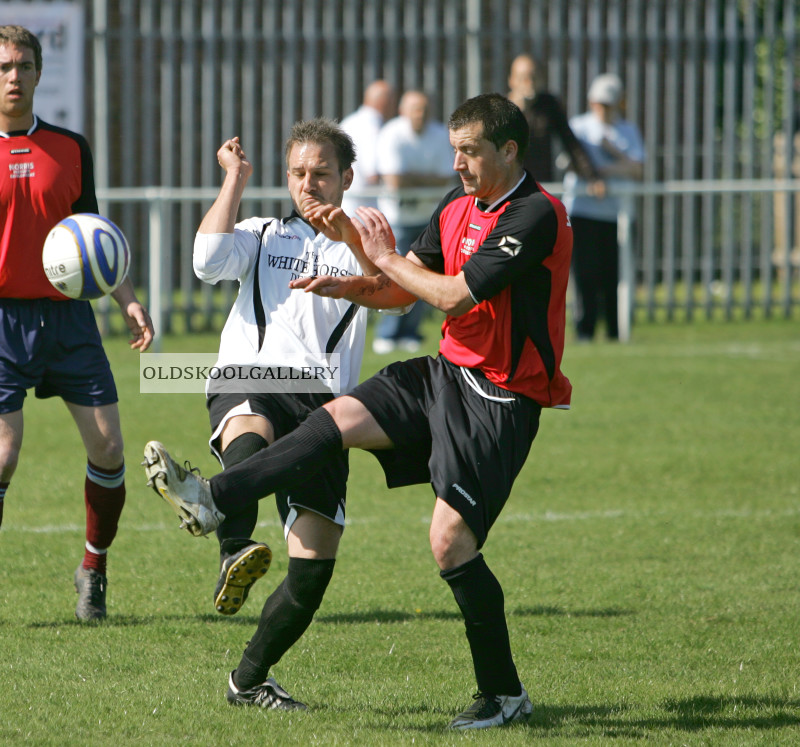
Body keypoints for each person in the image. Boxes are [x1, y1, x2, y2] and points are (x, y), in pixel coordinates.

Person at [144, 93, 573, 730]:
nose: (457, 163)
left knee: (449, 544)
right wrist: (355, 283)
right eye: (453, 149)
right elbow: (402, 291)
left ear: (509, 150)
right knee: (339, 420)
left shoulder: (537, 213)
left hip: (500, 397)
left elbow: (452, 295)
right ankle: (214, 502)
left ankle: (504, 694)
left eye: (471, 151)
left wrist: (375, 258)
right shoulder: (454, 209)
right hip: (441, 373)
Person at [0, 25, 154, 628]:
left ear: (39, 73)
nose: (14, 76)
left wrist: (126, 296)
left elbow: (93, 234)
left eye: (24, 65)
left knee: (109, 446)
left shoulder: (71, 148)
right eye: (2, 67)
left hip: (70, 318)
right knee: (0, 455)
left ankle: (93, 571)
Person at [149, 119, 381, 695]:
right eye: (298, 174)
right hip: (249, 374)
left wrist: (355, 245)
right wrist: (234, 179)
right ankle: (232, 545)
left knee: (311, 571)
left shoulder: (366, 241)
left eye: (322, 174)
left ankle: (248, 681)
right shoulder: (262, 231)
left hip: (325, 404)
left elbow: (393, 292)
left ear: (347, 177)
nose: (309, 185)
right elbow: (206, 261)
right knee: (251, 422)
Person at [562, 73, 645, 342]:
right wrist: (607, 172)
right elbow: (570, 161)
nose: (601, 108)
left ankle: (614, 330)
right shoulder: (579, 126)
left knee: (613, 274)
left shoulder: (627, 130)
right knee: (585, 272)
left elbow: (637, 169)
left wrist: (609, 159)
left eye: (607, 104)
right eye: (597, 103)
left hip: (616, 214)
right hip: (582, 211)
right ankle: (585, 330)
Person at [372, 90, 455, 354]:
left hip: (429, 219)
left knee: (422, 278)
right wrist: (426, 180)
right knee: (395, 276)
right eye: (415, 109)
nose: (420, 114)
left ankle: (410, 332)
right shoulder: (391, 134)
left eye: (424, 109)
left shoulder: (441, 134)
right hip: (399, 219)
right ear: (403, 111)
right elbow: (394, 180)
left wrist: (412, 178)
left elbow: (445, 178)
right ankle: (387, 333)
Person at [506, 53, 601, 185]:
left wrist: (592, 177)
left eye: (534, 77)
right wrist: (520, 109)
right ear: (512, 81)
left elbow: (570, 143)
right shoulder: (502, 109)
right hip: (509, 185)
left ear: (541, 79)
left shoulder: (549, 105)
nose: (529, 82)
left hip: (540, 183)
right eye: (523, 78)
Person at [339, 80, 395, 219]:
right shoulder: (373, 128)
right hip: (364, 211)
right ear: (384, 102)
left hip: (346, 203)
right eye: (393, 100)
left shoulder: (349, 122)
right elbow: (373, 173)